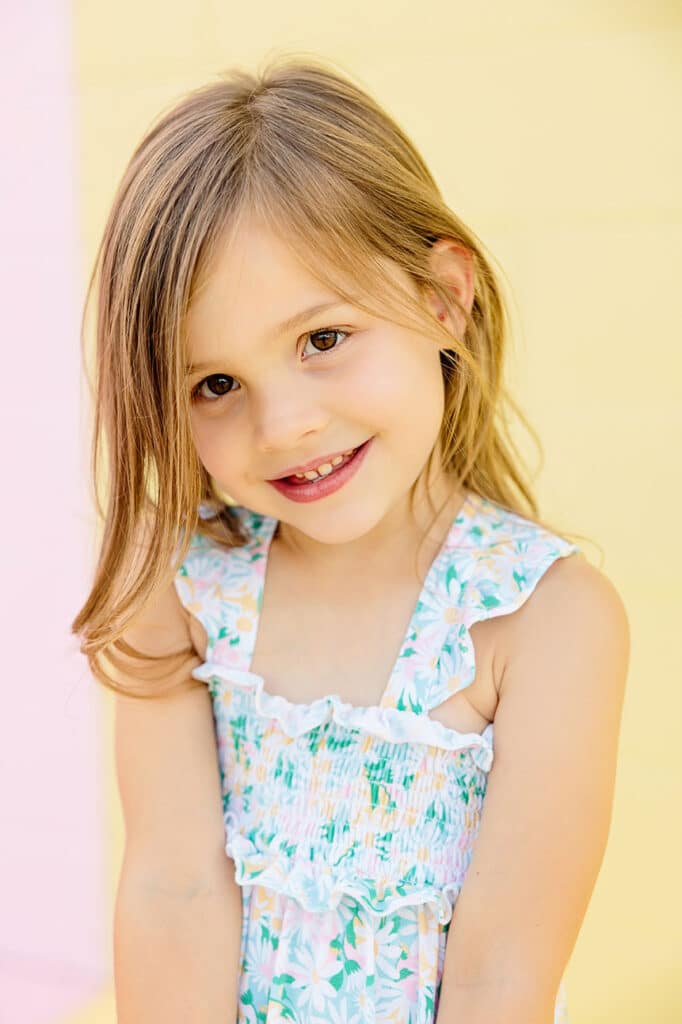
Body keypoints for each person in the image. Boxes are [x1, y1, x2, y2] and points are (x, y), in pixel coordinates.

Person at [72, 55, 630, 1024]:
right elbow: (171, 894)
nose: (284, 424)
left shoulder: (545, 621)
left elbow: (502, 976)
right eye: (215, 384)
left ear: (442, 298)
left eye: (322, 339)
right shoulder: (187, 591)